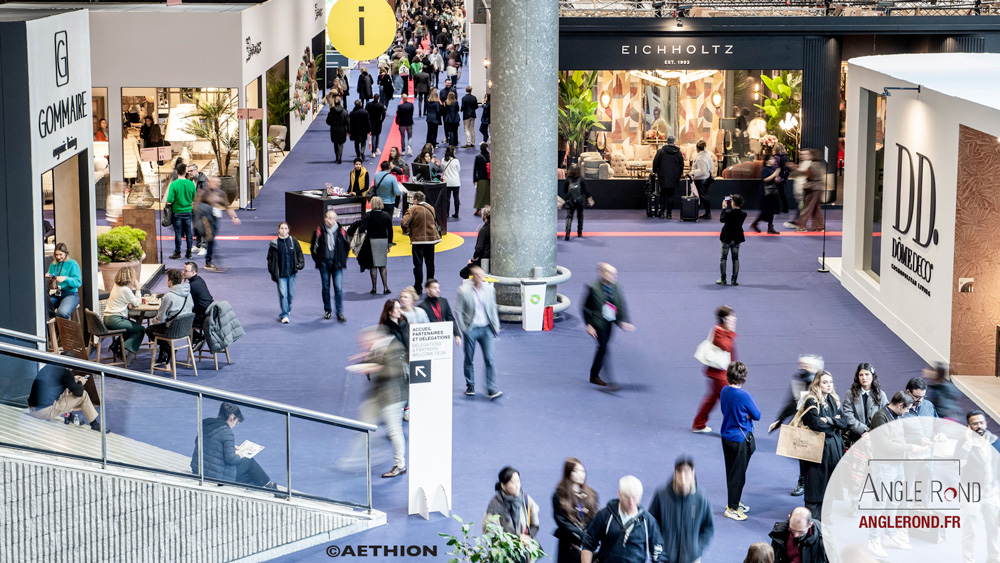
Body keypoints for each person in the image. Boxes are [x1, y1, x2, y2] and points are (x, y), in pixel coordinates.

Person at [866, 391, 915, 556]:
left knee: (894, 501)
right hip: (884, 466)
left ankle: (890, 535)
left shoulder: (896, 416)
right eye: (907, 409)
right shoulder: (881, 417)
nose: (908, 412)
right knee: (880, 503)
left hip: (897, 464)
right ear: (900, 405)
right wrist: (910, 447)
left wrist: (916, 442)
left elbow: (898, 439)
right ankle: (873, 540)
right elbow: (885, 445)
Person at [357, 325, 409, 478]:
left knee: (394, 431)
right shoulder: (378, 346)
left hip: (393, 397)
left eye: (365, 342)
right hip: (380, 395)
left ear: (374, 337)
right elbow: (371, 362)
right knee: (365, 420)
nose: (364, 344)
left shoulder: (394, 347)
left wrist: (374, 367)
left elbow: (395, 370)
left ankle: (400, 465)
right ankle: (360, 456)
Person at [797, 370, 847, 520]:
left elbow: (844, 422)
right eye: (825, 382)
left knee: (829, 486)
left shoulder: (833, 400)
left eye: (830, 382)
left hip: (833, 451)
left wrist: (829, 420)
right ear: (817, 383)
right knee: (815, 487)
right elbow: (816, 425)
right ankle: (812, 523)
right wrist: (834, 424)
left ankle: (826, 518)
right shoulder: (811, 400)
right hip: (817, 453)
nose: (829, 385)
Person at [190, 402, 274, 488]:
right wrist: (239, 455)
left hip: (199, 470)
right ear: (232, 418)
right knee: (249, 462)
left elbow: (209, 446)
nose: (234, 425)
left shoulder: (207, 424)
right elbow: (231, 459)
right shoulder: (227, 432)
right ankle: (271, 487)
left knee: (249, 476)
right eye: (236, 422)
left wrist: (227, 448)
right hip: (215, 476)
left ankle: (264, 485)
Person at [581, 475, 663, 563]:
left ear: (640, 497)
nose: (631, 502)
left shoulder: (648, 522)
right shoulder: (604, 516)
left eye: (635, 497)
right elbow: (588, 546)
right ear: (619, 494)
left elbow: (657, 556)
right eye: (627, 497)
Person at [648, 456, 714, 562]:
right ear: (675, 474)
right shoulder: (661, 496)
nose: (683, 482)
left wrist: (697, 549)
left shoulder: (701, 498)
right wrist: (658, 551)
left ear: (693, 475)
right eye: (680, 477)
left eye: (686, 478)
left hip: (692, 559)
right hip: (665, 559)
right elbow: (651, 525)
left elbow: (708, 528)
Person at [581, 263, 635, 387]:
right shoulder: (592, 288)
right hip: (598, 323)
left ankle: (594, 374)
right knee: (603, 347)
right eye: (611, 273)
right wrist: (588, 324)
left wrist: (623, 321)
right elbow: (585, 308)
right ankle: (599, 377)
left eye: (615, 274)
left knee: (603, 348)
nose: (614, 276)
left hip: (610, 321)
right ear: (602, 273)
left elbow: (620, 304)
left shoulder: (616, 287)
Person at [958, 409, 1000, 563]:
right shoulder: (963, 443)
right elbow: (958, 466)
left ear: (986, 423)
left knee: (994, 528)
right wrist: (968, 443)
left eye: (981, 422)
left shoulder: (995, 441)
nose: (979, 426)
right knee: (971, 530)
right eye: (974, 424)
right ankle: (968, 560)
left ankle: (994, 558)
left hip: (991, 493)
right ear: (969, 426)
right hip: (971, 493)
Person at [719, 361, 760, 521]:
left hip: (727, 436)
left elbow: (725, 410)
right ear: (743, 378)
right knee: (738, 475)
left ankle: (734, 501)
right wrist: (746, 416)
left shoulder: (724, 390)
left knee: (731, 472)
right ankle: (732, 508)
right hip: (740, 439)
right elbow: (757, 415)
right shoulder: (744, 395)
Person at [455, 266, 501, 399]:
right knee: (469, 359)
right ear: (472, 276)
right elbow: (458, 311)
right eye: (477, 275)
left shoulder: (489, 289)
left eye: (482, 275)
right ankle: (470, 385)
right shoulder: (463, 291)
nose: (480, 278)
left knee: (490, 359)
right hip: (472, 329)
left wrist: (496, 325)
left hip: (486, 329)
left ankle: (491, 388)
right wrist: (464, 329)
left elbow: (493, 307)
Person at [28, 357, 106, 432]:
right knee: (84, 395)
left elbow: (60, 381)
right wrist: (80, 382)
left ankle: (69, 416)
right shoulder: (65, 373)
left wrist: (73, 378)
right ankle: (94, 424)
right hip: (44, 413)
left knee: (65, 388)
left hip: (32, 410)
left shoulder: (50, 366)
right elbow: (79, 393)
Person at [692, 306, 737, 433]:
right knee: (729, 403)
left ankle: (698, 424)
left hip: (722, 372)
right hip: (719, 375)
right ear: (725, 319)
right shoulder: (719, 331)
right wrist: (731, 332)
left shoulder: (723, 330)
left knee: (712, 399)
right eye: (731, 317)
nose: (734, 319)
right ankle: (729, 430)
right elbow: (726, 347)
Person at [484, 467, 540, 558]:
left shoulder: (526, 500)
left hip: (525, 552)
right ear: (503, 485)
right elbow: (491, 531)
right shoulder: (495, 504)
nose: (517, 485)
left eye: (518, 481)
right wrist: (515, 540)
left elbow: (535, 525)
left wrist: (528, 536)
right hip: (505, 554)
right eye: (513, 482)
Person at [552, 457, 600, 563]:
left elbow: (595, 517)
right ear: (568, 472)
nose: (581, 474)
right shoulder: (559, 495)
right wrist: (579, 533)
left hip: (587, 545)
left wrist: (587, 535)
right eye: (576, 471)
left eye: (582, 471)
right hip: (568, 544)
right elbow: (560, 520)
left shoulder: (592, 494)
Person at [146, 268, 194, 365]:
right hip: (186, 328)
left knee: (149, 329)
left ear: (170, 281)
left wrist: (153, 321)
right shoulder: (188, 294)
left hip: (171, 328)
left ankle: (169, 349)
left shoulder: (168, 296)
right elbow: (191, 308)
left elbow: (161, 319)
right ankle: (164, 353)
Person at [310, 210, 350, 322]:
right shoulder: (319, 232)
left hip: (337, 264)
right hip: (324, 264)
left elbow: (347, 247)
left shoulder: (341, 232)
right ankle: (327, 310)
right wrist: (318, 260)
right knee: (326, 288)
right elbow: (313, 248)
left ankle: (339, 312)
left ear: (335, 220)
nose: (327, 219)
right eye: (326, 217)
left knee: (338, 288)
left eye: (330, 218)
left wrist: (342, 260)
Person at [193, 176, 240, 270]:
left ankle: (208, 259)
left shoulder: (221, 193)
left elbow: (227, 206)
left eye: (218, 183)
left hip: (214, 219)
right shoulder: (202, 192)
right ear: (209, 182)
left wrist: (234, 217)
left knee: (212, 239)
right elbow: (195, 205)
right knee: (210, 239)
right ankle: (208, 261)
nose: (216, 185)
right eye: (214, 182)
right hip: (204, 219)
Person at [841, 363, 888, 450]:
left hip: (876, 437)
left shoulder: (881, 395)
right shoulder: (850, 393)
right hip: (855, 437)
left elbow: (884, 416)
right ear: (857, 377)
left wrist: (871, 432)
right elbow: (848, 416)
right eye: (861, 375)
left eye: (867, 374)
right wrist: (864, 430)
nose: (864, 378)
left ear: (873, 376)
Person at [103, 265, 145, 363]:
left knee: (130, 328)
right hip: (115, 320)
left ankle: (116, 345)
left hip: (108, 318)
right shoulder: (125, 290)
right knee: (140, 329)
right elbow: (137, 303)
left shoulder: (116, 286)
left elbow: (127, 302)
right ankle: (121, 347)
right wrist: (138, 289)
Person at [351, 197, 392, 295]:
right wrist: (389, 244)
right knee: (382, 265)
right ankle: (385, 288)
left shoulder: (368, 215)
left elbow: (362, 229)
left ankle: (374, 288)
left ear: (372, 204)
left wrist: (358, 226)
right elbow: (390, 231)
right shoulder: (386, 215)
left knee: (373, 265)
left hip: (371, 241)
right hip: (382, 241)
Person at [401, 191, 441, 292]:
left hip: (417, 241)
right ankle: (431, 286)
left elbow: (404, 223)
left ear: (415, 200)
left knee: (418, 265)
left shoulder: (412, 209)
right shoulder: (431, 208)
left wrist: (408, 232)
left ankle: (418, 287)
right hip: (431, 240)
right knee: (430, 264)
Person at [267, 222, 304, 324]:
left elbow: (299, 253)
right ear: (278, 230)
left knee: (291, 294)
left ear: (288, 230)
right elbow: (269, 259)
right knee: (283, 294)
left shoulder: (293, 241)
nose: (283, 230)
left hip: (291, 273)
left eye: (285, 228)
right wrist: (272, 270)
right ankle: (284, 315)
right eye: (282, 228)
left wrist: (300, 264)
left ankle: (288, 307)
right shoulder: (274, 244)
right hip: (280, 275)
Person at [785, 149, 826, 232]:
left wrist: (794, 168)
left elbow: (807, 175)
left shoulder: (811, 165)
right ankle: (819, 226)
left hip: (812, 188)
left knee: (806, 208)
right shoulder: (818, 164)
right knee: (816, 208)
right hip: (818, 188)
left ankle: (802, 227)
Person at [166, 162, 197, 260]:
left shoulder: (174, 184)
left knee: (178, 233)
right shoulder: (190, 183)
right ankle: (189, 253)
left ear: (176, 172)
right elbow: (194, 197)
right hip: (188, 211)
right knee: (188, 233)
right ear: (186, 172)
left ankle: (178, 253)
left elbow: (170, 199)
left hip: (177, 211)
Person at [45, 242, 82, 319]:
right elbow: (53, 275)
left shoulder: (72, 264)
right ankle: (53, 329)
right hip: (56, 293)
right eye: (56, 255)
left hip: (70, 294)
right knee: (44, 309)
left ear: (66, 253)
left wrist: (65, 278)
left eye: (60, 254)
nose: (58, 257)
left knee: (62, 313)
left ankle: (62, 330)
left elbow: (78, 282)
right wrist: (49, 275)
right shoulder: (53, 264)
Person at [419, 279, 461, 345]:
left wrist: (457, 335)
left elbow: (450, 319)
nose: (438, 290)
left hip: (442, 336)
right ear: (427, 290)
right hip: (429, 339)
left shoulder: (444, 301)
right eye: (434, 288)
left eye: (438, 287)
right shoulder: (422, 307)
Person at [652, 135, 684, 219]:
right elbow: (681, 165)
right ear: (674, 142)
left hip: (663, 176)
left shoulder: (661, 151)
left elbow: (655, 163)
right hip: (674, 176)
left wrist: (655, 171)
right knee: (671, 195)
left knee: (662, 194)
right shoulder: (678, 152)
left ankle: (662, 213)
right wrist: (679, 174)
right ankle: (669, 213)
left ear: (666, 141)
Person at [718, 194, 746, 286]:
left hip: (726, 237)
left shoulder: (728, 213)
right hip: (737, 237)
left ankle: (723, 279)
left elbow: (722, 220)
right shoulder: (744, 214)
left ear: (732, 203)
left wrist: (723, 208)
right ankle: (734, 280)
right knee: (735, 259)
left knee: (723, 258)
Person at [561, 164, 594, 241]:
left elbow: (565, 191)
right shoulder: (581, 179)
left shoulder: (567, 179)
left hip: (570, 201)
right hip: (580, 201)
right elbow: (586, 191)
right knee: (580, 216)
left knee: (569, 216)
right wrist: (590, 199)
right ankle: (579, 232)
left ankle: (568, 233)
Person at [751, 155, 782, 234]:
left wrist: (777, 178)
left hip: (773, 191)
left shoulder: (773, 169)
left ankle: (770, 226)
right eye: (772, 159)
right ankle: (756, 223)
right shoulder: (765, 169)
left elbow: (775, 180)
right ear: (767, 160)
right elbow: (765, 179)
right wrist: (775, 174)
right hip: (766, 192)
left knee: (771, 210)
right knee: (766, 210)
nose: (773, 161)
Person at [461, 206, 491, 279]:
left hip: (484, 259)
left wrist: (472, 259)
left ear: (485, 216)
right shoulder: (494, 227)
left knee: (463, 273)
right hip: (493, 258)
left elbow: (479, 248)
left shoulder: (483, 231)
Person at [690, 140, 714, 220]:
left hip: (701, 179)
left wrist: (692, 172)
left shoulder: (700, 158)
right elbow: (711, 167)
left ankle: (706, 213)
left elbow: (702, 171)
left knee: (702, 196)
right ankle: (700, 212)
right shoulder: (707, 155)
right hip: (706, 178)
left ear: (697, 148)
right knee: (703, 196)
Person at [326, 97, 350, 164]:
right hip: (342, 129)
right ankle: (340, 156)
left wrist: (332, 124)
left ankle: (337, 156)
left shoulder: (331, 112)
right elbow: (348, 122)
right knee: (341, 143)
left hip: (334, 129)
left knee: (335, 143)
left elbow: (328, 121)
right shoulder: (344, 112)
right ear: (340, 103)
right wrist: (348, 130)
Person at [441, 146, 461, 218]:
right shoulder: (456, 161)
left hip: (447, 181)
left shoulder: (443, 160)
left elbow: (443, 168)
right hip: (455, 181)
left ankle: (446, 213)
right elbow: (458, 169)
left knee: (447, 199)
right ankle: (456, 213)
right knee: (456, 198)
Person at [473, 143, 491, 215]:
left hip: (481, 178)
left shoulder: (478, 157)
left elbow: (475, 169)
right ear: (487, 148)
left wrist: (475, 179)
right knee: (488, 194)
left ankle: (478, 210)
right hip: (489, 178)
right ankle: (489, 209)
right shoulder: (490, 157)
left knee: (479, 195)